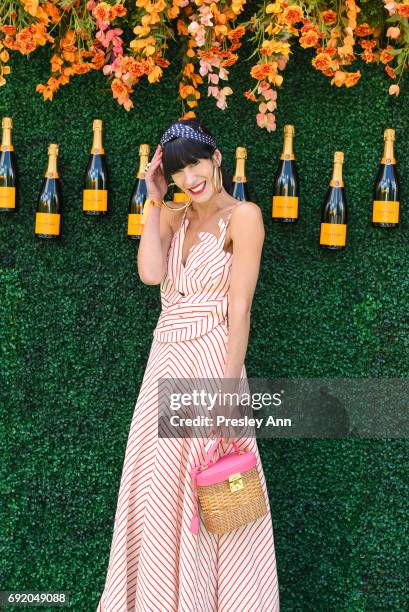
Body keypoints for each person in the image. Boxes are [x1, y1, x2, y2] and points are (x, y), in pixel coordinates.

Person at [96, 119, 280, 611]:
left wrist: (225, 398)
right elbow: (151, 273)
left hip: (210, 365)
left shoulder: (244, 216)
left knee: (212, 496)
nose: (190, 178)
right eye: (177, 171)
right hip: (164, 364)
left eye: (195, 163)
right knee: (157, 491)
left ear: (216, 158)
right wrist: (153, 196)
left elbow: (239, 309)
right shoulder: (174, 213)